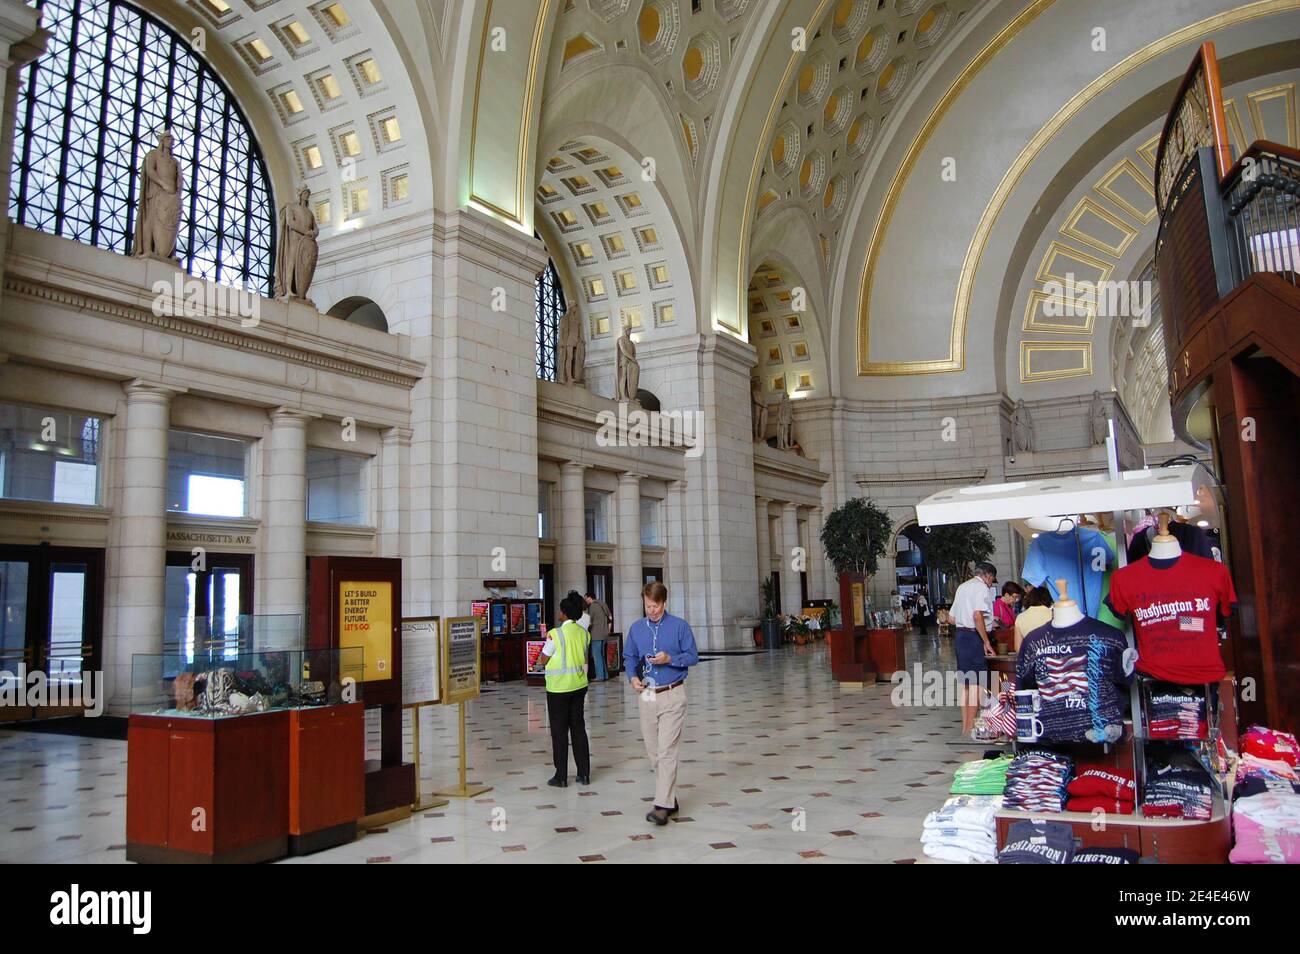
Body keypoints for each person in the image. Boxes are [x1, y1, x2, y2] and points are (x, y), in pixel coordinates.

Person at [624, 581, 699, 825]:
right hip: (646, 694)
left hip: (672, 693)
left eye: (655, 606)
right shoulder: (636, 629)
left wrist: (670, 659)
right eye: (648, 606)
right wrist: (633, 678)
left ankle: (661, 806)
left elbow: (692, 656)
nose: (651, 611)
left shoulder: (679, 626)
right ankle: (669, 798)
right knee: (654, 753)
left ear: (664, 603)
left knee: (667, 750)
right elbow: (629, 657)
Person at [530, 590, 591, 788]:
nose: (558, 613)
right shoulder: (584, 633)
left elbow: (544, 658)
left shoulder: (555, 634)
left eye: (560, 610)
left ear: (564, 613)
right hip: (579, 685)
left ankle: (561, 776)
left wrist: (542, 659)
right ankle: (584, 774)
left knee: (559, 732)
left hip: (558, 689)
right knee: (579, 730)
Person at [950, 562, 998, 736]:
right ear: (988, 575)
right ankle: (970, 728)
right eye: (992, 580)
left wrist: (966, 622)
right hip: (974, 637)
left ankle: (965, 727)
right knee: (977, 684)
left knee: (966, 684)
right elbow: (977, 615)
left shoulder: (962, 587)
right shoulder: (981, 588)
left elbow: (950, 618)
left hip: (961, 636)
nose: (991, 583)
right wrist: (986, 640)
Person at [1013, 585, 1054, 652]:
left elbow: (1018, 648)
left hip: (1030, 658)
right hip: (1050, 657)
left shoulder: (1020, 617)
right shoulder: (1053, 615)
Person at [584, 591, 612, 681]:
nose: (585, 601)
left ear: (589, 597)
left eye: (585, 598)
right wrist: (608, 630)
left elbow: (589, 621)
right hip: (604, 633)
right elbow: (610, 617)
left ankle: (600, 676)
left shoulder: (592, 606)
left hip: (596, 634)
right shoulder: (603, 604)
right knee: (601, 655)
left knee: (597, 656)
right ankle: (605, 675)